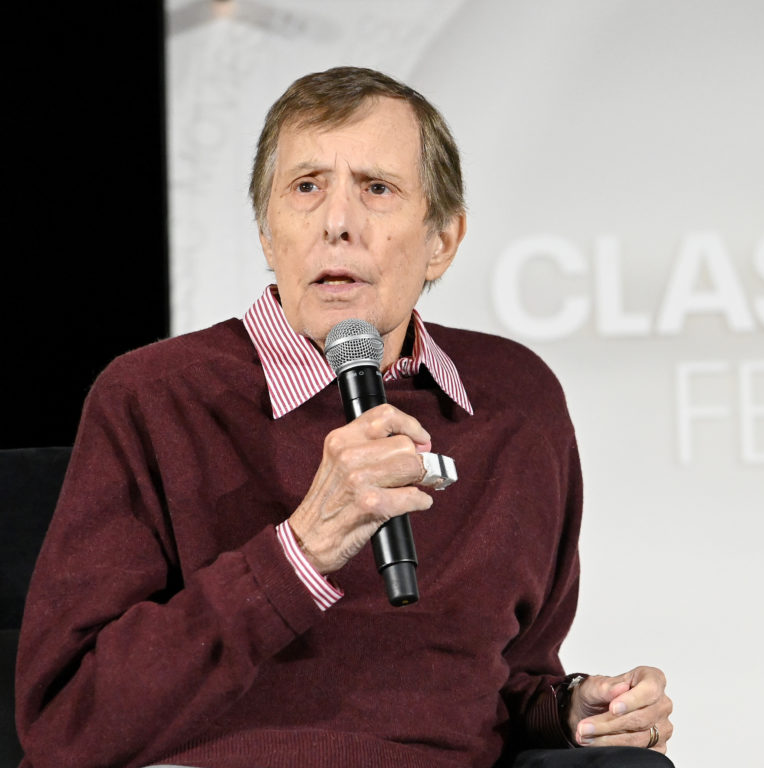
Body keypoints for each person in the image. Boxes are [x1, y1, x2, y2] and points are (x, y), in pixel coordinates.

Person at [15, 66, 673, 768]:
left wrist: (574, 710)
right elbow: (66, 721)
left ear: (442, 241)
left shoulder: (516, 403)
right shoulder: (155, 396)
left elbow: (510, 678)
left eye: (377, 189)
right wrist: (301, 549)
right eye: (306, 188)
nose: (337, 223)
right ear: (270, 236)